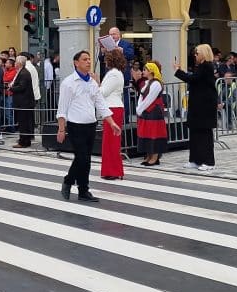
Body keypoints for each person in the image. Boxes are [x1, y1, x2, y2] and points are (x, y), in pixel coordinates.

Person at [56, 50, 121, 201]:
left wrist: (111, 123)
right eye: (85, 59)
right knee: (82, 158)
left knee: (86, 159)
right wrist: (61, 128)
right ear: (76, 63)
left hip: (90, 124)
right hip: (75, 125)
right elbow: (62, 108)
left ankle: (83, 190)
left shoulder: (92, 83)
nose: (88, 62)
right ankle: (68, 181)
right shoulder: (68, 83)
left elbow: (101, 104)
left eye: (89, 59)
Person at [174, 44, 218, 171]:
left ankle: (209, 162)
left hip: (205, 106)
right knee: (195, 133)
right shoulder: (200, 66)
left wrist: (178, 71)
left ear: (203, 54)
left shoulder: (207, 66)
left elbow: (193, 79)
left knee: (204, 134)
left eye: (197, 53)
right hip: (197, 105)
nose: (195, 55)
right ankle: (195, 159)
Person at [99, 48, 127, 180]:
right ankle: (112, 170)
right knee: (110, 141)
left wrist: (94, 82)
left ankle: (113, 171)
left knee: (111, 141)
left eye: (106, 58)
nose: (105, 60)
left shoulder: (114, 74)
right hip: (113, 107)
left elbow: (103, 92)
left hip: (113, 108)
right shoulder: (116, 73)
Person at [136, 61, 168, 166]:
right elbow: (142, 96)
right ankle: (149, 155)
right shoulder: (147, 83)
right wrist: (140, 108)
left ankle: (154, 157)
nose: (143, 71)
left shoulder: (156, 83)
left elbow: (149, 99)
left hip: (154, 112)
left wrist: (140, 108)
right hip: (146, 111)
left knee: (154, 133)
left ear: (151, 71)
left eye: (145, 70)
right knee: (147, 133)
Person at [9, 55, 36, 148]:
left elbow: (22, 87)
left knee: (24, 123)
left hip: (24, 103)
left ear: (20, 63)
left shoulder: (24, 73)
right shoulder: (21, 72)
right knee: (23, 122)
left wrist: (11, 88)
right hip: (22, 102)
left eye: (16, 61)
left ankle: (24, 141)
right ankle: (24, 140)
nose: (15, 63)